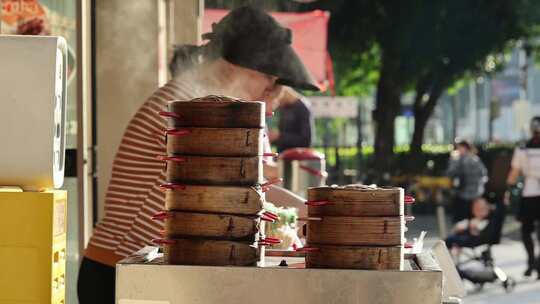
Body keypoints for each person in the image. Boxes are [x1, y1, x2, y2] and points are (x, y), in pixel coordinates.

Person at [77, 7, 318, 304]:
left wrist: (311, 210)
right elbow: (244, 186)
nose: (270, 90)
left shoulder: (218, 108)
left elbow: (252, 184)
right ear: (234, 66)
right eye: (267, 77)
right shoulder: (187, 105)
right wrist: (319, 212)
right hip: (119, 270)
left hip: (145, 271)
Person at [506, 116, 540, 278]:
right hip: (532, 192)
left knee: (527, 231)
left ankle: (531, 261)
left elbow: (514, 174)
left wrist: (507, 189)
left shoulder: (523, 149)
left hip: (529, 193)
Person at [446, 140, 488, 223]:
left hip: (463, 193)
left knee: (461, 219)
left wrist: (453, 159)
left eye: (459, 148)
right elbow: (484, 174)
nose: (457, 150)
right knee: (472, 218)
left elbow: (451, 173)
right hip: (476, 193)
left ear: (464, 148)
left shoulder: (459, 159)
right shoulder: (475, 158)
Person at [268, 86, 314, 153]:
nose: (275, 104)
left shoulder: (302, 107)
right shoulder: (284, 107)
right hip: (283, 155)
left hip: (297, 157)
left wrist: (279, 136)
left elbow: (306, 140)